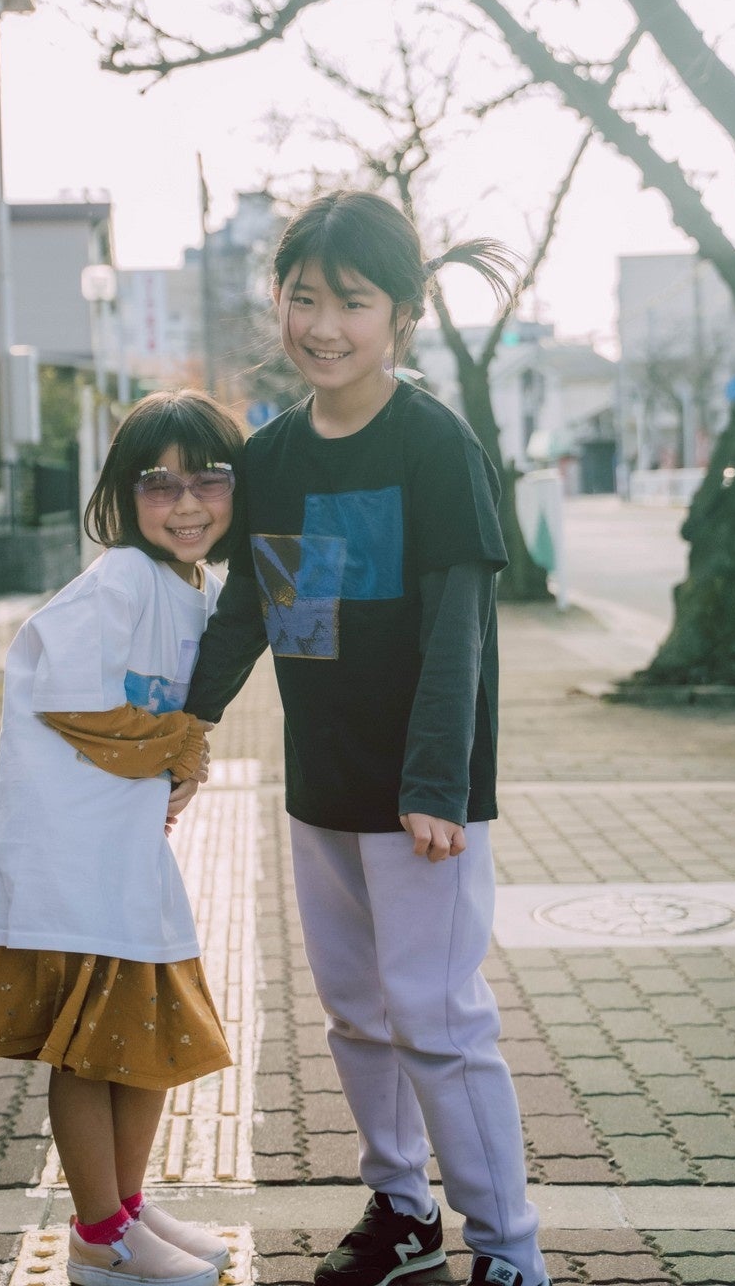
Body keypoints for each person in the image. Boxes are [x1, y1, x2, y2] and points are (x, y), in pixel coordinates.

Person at [185, 193, 551, 1286]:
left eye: (352, 302)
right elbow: (250, 610)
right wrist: (186, 724)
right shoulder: (272, 455)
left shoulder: (435, 444)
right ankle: (403, 1209)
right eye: (304, 298)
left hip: (423, 799)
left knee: (437, 1019)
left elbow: (458, 629)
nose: (324, 325)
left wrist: (434, 781)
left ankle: (511, 1252)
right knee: (356, 1014)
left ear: (402, 312)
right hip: (323, 788)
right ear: (279, 301)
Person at [0, 390, 245, 1286]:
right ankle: (99, 1234)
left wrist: (181, 756)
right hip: (68, 856)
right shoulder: (122, 578)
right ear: (121, 494)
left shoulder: (197, 587)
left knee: (143, 1037)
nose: (185, 504)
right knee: (89, 1046)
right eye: (159, 484)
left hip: (120, 851)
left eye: (207, 480)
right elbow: (69, 696)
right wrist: (181, 747)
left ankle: (127, 1211)